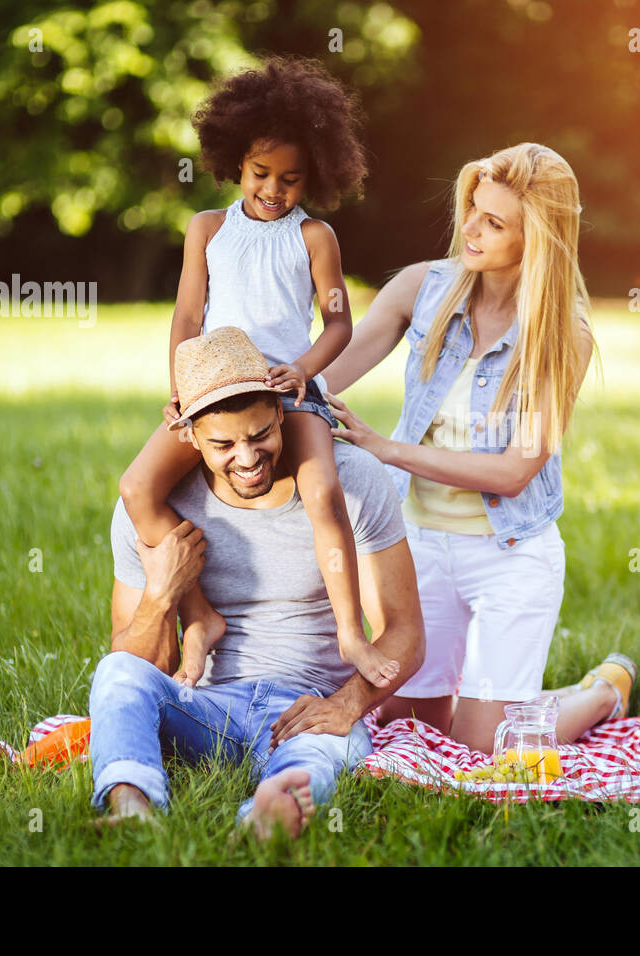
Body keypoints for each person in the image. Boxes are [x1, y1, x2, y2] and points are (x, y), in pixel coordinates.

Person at [322, 143, 634, 755]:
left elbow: (516, 470)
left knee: (488, 747)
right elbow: (327, 372)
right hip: (424, 545)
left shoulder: (562, 334)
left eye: (495, 223)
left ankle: (600, 693)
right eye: (472, 208)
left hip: (509, 554)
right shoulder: (422, 288)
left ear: (537, 238)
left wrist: (387, 450)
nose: (471, 228)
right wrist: (239, 394)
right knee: (410, 724)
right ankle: (514, 699)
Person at [117, 55, 400, 693]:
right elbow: (187, 316)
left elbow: (338, 326)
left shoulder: (315, 238)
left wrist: (300, 371)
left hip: (284, 394)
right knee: (138, 489)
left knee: (324, 493)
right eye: (261, 173)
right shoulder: (207, 229)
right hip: (213, 394)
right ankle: (200, 617)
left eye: (291, 180)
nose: (273, 190)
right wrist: (182, 390)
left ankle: (351, 632)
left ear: (315, 178)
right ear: (235, 161)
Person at [90, 327, 424, 838]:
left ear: (281, 411)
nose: (247, 458)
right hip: (209, 706)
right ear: (188, 435)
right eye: (223, 444)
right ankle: (132, 805)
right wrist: (162, 596)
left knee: (314, 755)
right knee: (116, 674)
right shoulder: (152, 508)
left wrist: (346, 705)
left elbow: (405, 633)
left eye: (261, 434)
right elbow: (136, 660)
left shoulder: (353, 482)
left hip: (311, 707)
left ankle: (265, 819)